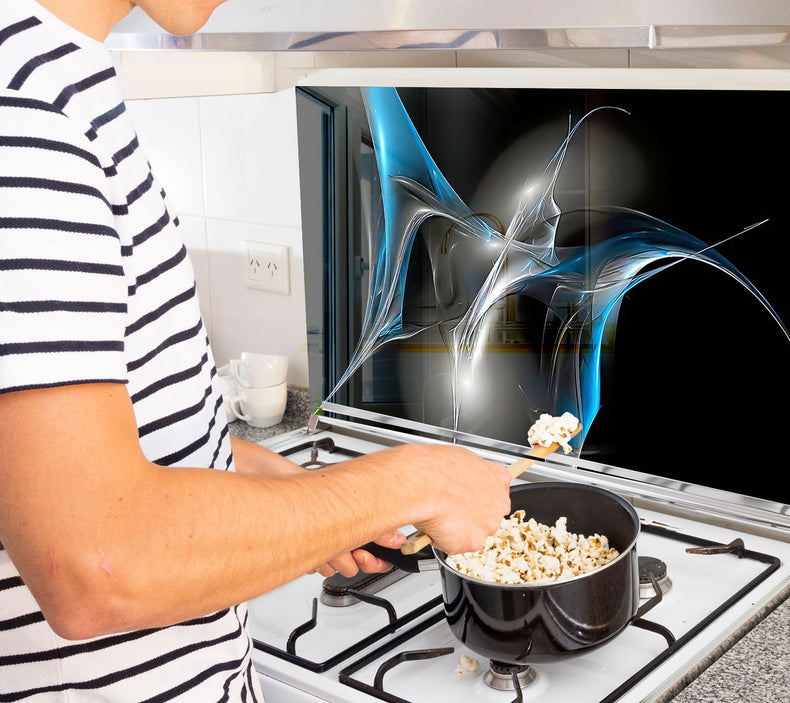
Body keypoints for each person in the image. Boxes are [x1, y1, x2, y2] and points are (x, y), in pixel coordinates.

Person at [0, 0, 513, 699]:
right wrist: (415, 480)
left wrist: (294, 496)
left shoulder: (55, 80)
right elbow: (97, 563)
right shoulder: (24, 117)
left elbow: (74, 454)